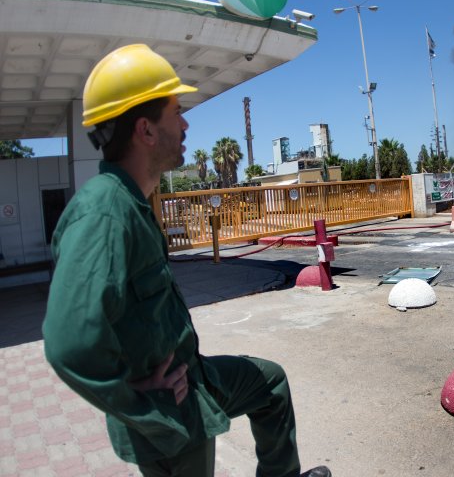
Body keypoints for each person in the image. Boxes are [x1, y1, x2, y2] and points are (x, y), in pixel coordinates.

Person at [42, 43, 331, 477]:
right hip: (170, 411)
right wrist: (142, 405)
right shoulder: (104, 212)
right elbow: (69, 344)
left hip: (191, 380)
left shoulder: (130, 202)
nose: (186, 122)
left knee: (269, 384)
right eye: (176, 111)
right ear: (146, 130)